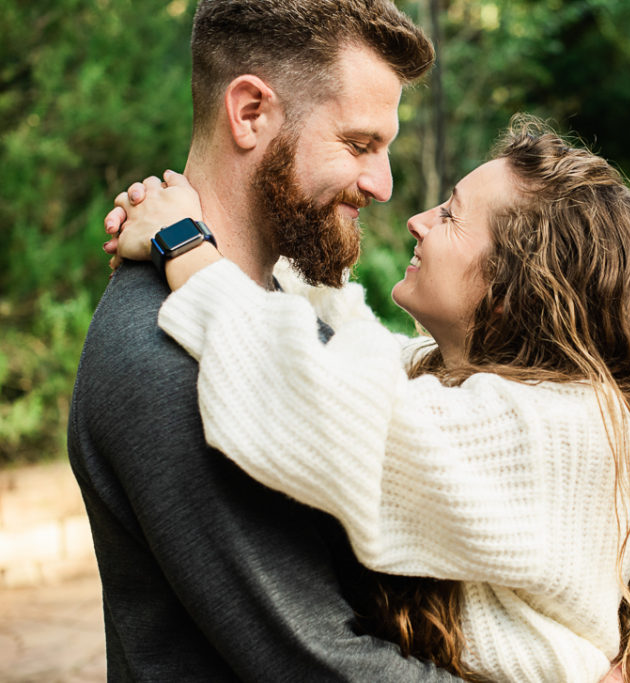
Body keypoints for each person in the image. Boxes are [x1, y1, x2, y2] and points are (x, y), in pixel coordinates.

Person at [107, 117, 630, 682]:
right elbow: (353, 351)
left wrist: (184, 244)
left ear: (511, 291)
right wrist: (212, 225)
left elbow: (317, 406)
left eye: (451, 214)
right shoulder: (455, 379)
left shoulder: (564, 427)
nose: (418, 218)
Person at [68, 0, 463, 679]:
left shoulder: (260, 312)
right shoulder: (168, 353)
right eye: (360, 144)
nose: (384, 184)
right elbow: (320, 662)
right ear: (250, 112)